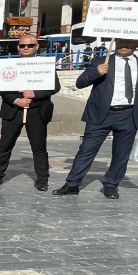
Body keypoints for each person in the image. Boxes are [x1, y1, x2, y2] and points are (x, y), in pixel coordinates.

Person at [54, 39, 138, 199]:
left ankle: (112, 184)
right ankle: (72, 183)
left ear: (136, 44)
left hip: (128, 114)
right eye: (121, 41)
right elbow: (80, 83)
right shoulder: (100, 61)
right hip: (101, 114)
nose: (124, 45)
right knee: (86, 150)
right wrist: (96, 73)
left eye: (129, 42)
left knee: (122, 153)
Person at [0, 34, 60, 192]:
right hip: (13, 110)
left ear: (36, 47)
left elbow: (55, 86)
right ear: (18, 47)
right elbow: (3, 89)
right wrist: (17, 100)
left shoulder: (45, 65)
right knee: (5, 145)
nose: (26, 48)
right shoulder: (10, 65)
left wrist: (35, 94)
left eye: (30, 45)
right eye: (22, 46)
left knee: (39, 147)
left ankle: (42, 178)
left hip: (37, 111)